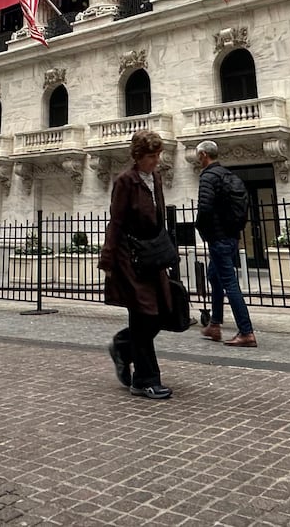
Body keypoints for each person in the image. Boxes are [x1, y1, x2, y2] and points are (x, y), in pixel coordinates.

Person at [99, 129, 176, 400]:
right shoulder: (125, 181)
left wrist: (166, 253)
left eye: (158, 155)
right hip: (129, 257)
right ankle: (145, 380)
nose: (156, 160)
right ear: (138, 155)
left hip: (152, 256)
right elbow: (116, 223)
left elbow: (159, 219)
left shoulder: (155, 178)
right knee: (144, 316)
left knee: (160, 314)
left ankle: (122, 346)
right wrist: (108, 261)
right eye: (152, 156)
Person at [194, 140, 256, 347]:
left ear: (203, 155)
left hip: (218, 238)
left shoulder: (208, 177)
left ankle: (246, 332)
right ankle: (214, 324)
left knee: (230, 283)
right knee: (214, 275)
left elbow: (205, 208)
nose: (197, 159)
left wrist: (202, 229)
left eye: (198, 155)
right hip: (231, 236)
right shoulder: (228, 175)